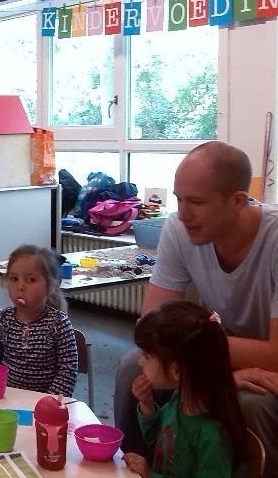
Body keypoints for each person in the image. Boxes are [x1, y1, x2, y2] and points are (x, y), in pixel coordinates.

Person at [114, 141, 278, 476]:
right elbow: (151, 330)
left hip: (269, 368)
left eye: (197, 202)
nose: (183, 213)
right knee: (136, 366)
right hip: (220, 351)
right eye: (179, 199)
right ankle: (137, 467)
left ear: (237, 201)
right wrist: (217, 370)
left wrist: (209, 363)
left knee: (251, 402)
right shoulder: (179, 228)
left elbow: (275, 355)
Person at [123, 300, 247, 477]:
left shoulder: (212, 436)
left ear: (177, 370)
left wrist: (150, 475)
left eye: (147, 357)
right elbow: (159, 442)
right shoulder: (179, 400)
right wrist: (147, 405)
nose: (140, 362)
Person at [0, 244, 78, 397]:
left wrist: (48, 402)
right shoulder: (2, 319)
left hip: (45, 406)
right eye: (14, 279)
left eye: (30, 280)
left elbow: (67, 371)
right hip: (4, 400)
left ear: (50, 286)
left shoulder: (59, 323)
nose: (20, 287)